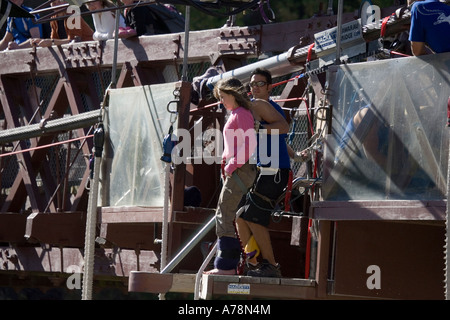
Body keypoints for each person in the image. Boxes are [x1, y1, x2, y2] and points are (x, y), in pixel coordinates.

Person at [236, 68, 291, 278]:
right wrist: (296, 155)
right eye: (252, 84)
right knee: (240, 215)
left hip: (273, 170)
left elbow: (283, 127)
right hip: (266, 168)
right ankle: (254, 263)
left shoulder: (260, 106)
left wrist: (257, 128)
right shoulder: (266, 107)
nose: (255, 88)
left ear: (269, 87)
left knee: (252, 215)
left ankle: (271, 265)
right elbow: (280, 138)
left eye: (260, 84)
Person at [204, 77, 258, 275]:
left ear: (233, 94)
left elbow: (250, 144)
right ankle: (230, 263)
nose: (221, 101)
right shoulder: (237, 114)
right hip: (237, 170)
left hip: (239, 170)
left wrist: (232, 166)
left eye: (223, 96)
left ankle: (226, 266)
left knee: (224, 213)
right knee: (226, 214)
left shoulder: (241, 114)